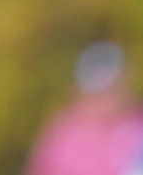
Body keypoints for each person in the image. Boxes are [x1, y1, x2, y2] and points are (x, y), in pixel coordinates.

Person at [26, 41, 143, 175]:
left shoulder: (137, 121)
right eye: (102, 91)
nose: (108, 99)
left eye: (114, 87)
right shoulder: (65, 132)